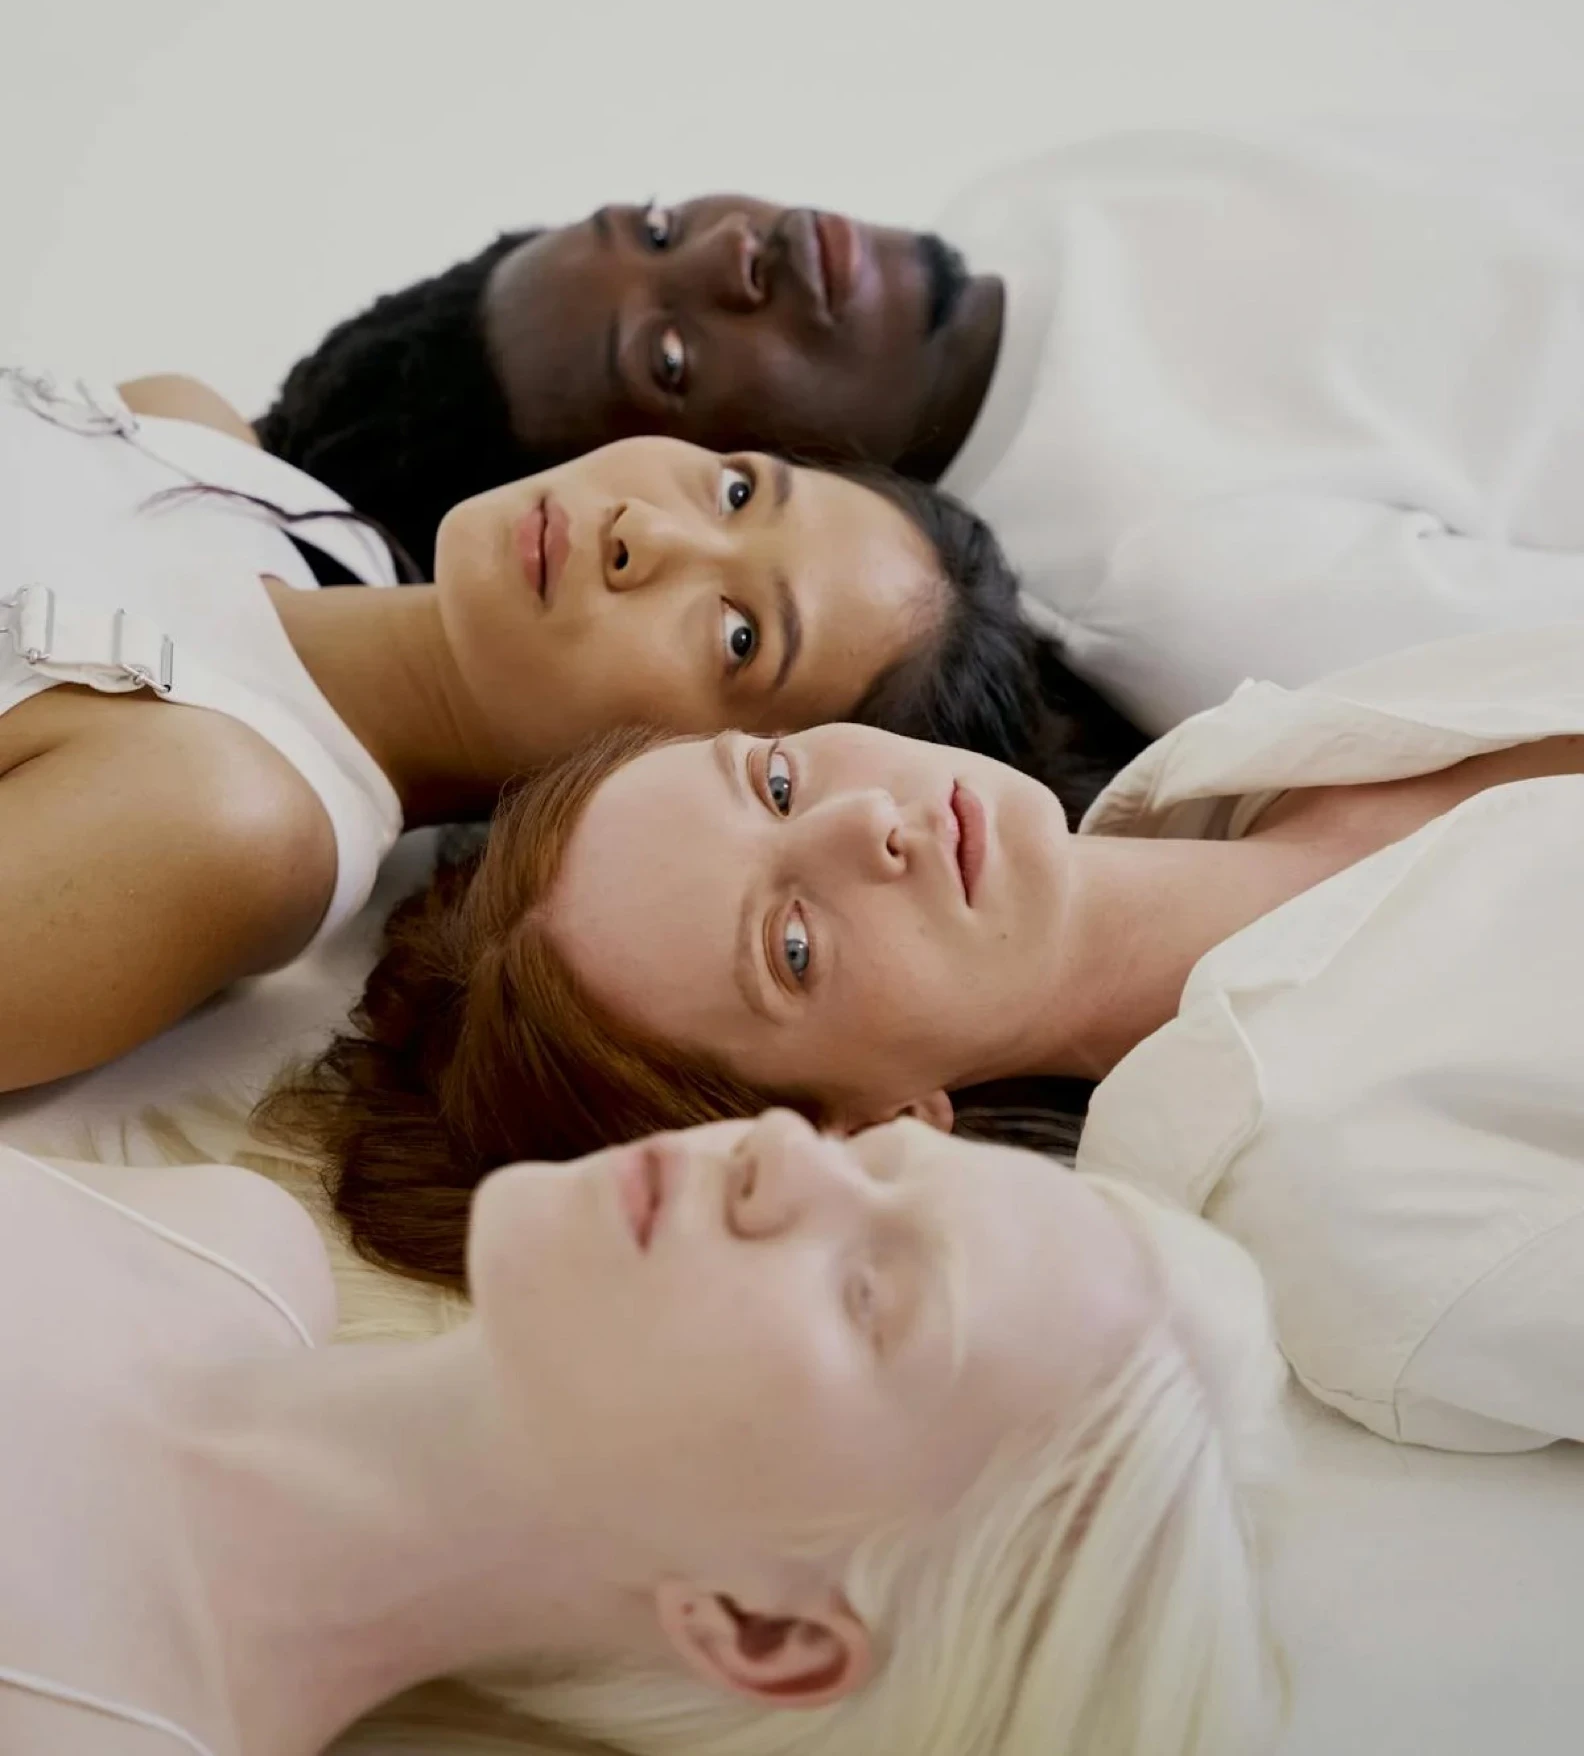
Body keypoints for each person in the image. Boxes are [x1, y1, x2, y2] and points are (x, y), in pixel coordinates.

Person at [286, 617, 1584, 1457]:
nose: (863, 826)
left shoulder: (1256, 745)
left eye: (776, 782)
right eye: (792, 946)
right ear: (870, 1129)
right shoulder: (1342, 1204)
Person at [0, 1114, 1285, 1756]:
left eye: (870, 1296)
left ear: (764, 1632)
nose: (781, 1148)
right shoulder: (228, 1240)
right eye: (869, 1151)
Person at [0, 361, 1119, 1096]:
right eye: (737, 493)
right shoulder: (202, 441)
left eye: (738, 636)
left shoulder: (228, 823)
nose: (645, 533)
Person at [256, 126, 1584, 730]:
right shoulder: (1157, 579)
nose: (730, 251)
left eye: (654, 229)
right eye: (670, 357)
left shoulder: (1030, 196)